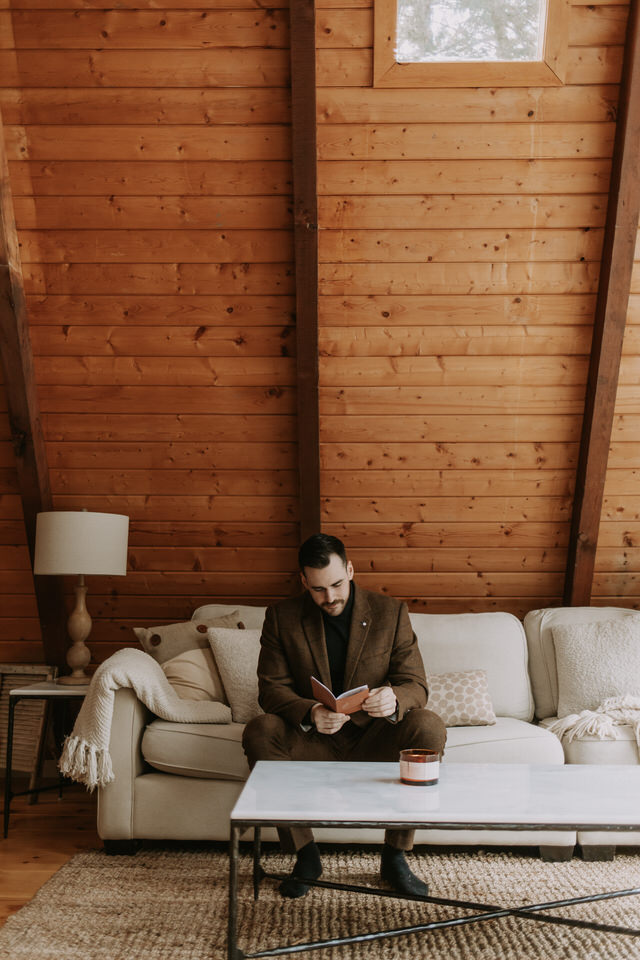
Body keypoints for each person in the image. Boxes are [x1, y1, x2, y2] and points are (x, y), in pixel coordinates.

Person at [242, 533, 447, 899]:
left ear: (350, 570)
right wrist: (310, 711)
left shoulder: (391, 612)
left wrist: (393, 698)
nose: (330, 597)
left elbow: (415, 683)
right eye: (318, 589)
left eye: (337, 584)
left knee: (428, 725)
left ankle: (395, 855)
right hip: (313, 740)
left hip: (374, 738)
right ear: (304, 581)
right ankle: (306, 855)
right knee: (260, 730)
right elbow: (271, 689)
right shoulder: (281, 617)